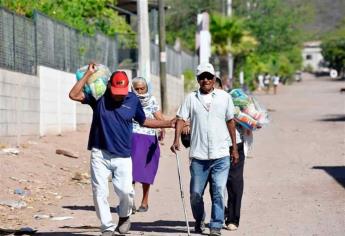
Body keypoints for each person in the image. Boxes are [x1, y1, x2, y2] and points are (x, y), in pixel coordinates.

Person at [69, 63, 174, 236]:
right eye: (116, 92)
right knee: (99, 191)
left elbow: (144, 121)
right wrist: (88, 74)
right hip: (100, 152)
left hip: (123, 154)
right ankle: (107, 227)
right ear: (109, 85)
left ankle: (124, 216)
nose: (119, 97)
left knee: (126, 191)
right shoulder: (98, 97)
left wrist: (168, 123)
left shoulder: (132, 99)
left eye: (122, 93)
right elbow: (73, 95)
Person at [171, 63, 239, 236]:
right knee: (195, 193)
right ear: (198, 80)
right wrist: (176, 139)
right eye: (202, 77)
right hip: (198, 155)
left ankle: (215, 225)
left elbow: (231, 121)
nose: (206, 80)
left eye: (209, 77)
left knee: (218, 192)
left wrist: (234, 148)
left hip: (221, 154)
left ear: (215, 79)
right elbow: (180, 119)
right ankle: (200, 219)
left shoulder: (224, 97)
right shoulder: (191, 98)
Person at [131, 77, 165, 213]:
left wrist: (163, 128)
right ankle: (130, 201)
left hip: (149, 138)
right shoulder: (128, 99)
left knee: (147, 171)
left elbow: (159, 117)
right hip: (132, 137)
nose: (139, 91)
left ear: (146, 88)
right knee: (130, 172)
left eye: (142, 88)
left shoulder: (152, 100)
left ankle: (145, 201)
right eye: (137, 89)